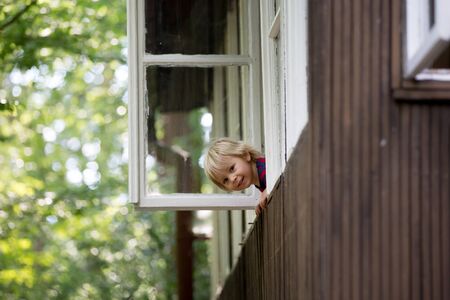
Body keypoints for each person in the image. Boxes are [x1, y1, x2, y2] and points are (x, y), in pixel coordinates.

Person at [204, 138, 268, 215]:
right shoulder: (259, 180)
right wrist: (262, 200)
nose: (232, 179)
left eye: (232, 168)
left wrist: (268, 190)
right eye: (225, 180)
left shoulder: (265, 169)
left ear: (245, 155)